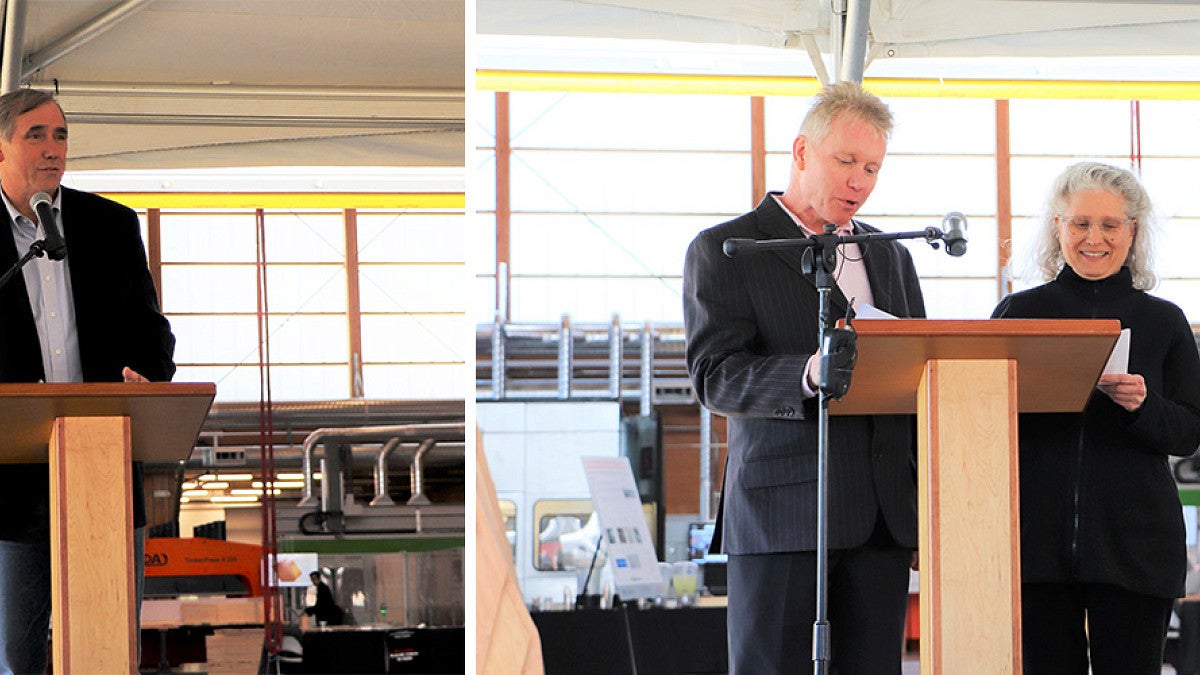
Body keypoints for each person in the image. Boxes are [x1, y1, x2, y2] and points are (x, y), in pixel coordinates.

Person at [683, 82, 925, 674]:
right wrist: (809, 374)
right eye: (846, 162)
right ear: (800, 152)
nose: (860, 182)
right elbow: (715, 376)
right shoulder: (727, 250)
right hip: (781, 517)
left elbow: (919, 367)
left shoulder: (892, 255)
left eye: (872, 168)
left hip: (881, 520)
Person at [991, 161, 1200, 674]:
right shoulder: (1019, 313)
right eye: (1080, 223)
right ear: (1057, 227)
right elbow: (986, 422)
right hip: (1035, 549)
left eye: (1111, 225)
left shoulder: (1165, 321)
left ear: (1133, 232)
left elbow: (1190, 431)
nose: (1095, 238)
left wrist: (1142, 406)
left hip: (1136, 547)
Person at [0, 88, 176, 673]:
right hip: (9, 486)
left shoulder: (109, 226)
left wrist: (146, 376)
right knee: (14, 657)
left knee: (109, 650)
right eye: (36, 135)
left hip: (102, 470)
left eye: (61, 136)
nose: (53, 149)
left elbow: (153, 335)